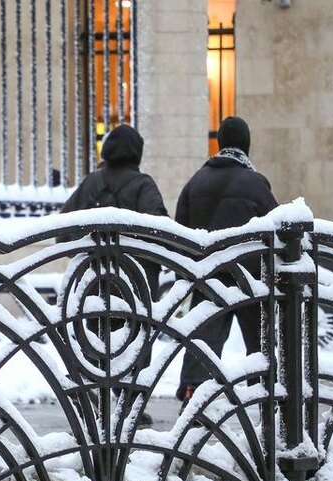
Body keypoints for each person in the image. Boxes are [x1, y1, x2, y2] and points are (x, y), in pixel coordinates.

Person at [60, 124, 168, 426]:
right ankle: (128, 406)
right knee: (136, 343)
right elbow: (160, 230)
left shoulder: (91, 183)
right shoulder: (143, 185)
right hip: (134, 283)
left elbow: (63, 231)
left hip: (95, 282)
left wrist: (88, 252)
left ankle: (92, 398)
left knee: (94, 339)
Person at [173, 116, 279, 404]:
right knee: (260, 342)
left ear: (219, 143)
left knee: (203, 342)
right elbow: (277, 228)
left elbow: (180, 230)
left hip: (208, 276)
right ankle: (264, 394)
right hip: (250, 278)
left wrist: (185, 277)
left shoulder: (196, 181)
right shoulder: (255, 183)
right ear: (246, 144)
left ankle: (194, 396)